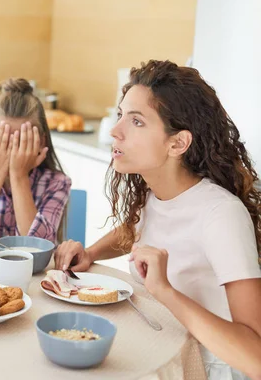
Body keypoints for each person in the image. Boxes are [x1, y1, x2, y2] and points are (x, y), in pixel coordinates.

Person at [54, 60, 261, 379]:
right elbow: (137, 227)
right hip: (157, 351)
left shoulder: (221, 216)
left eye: (136, 121)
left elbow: (255, 358)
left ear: (177, 143)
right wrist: (92, 253)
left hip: (202, 370)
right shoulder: (155, 191)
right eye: (121, 114)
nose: (115, 130)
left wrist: (165, 291)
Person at [0, 78, 71, 244]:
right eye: (1, 141)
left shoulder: (56, 183)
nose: (10, 152)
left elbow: (38, 248)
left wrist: (19, 176)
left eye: (21, 142)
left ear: (40, 143)